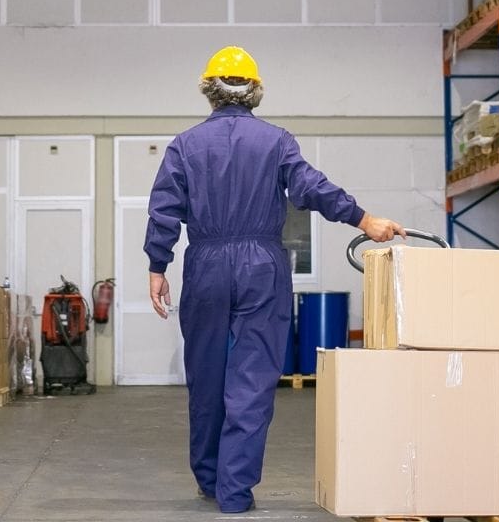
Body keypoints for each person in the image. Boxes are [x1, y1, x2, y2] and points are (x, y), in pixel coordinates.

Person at [144, 45, 405, 514]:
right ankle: (234, 493)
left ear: (209, 90)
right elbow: (311, 188)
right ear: (255, 92)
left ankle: (208, 479)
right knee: (252, 380)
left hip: (204, 263)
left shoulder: (184, 146)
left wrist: (157, 266)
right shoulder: (277, 141)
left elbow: (164, 210)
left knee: (206, 376)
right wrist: (364, 220)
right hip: (261, 266)